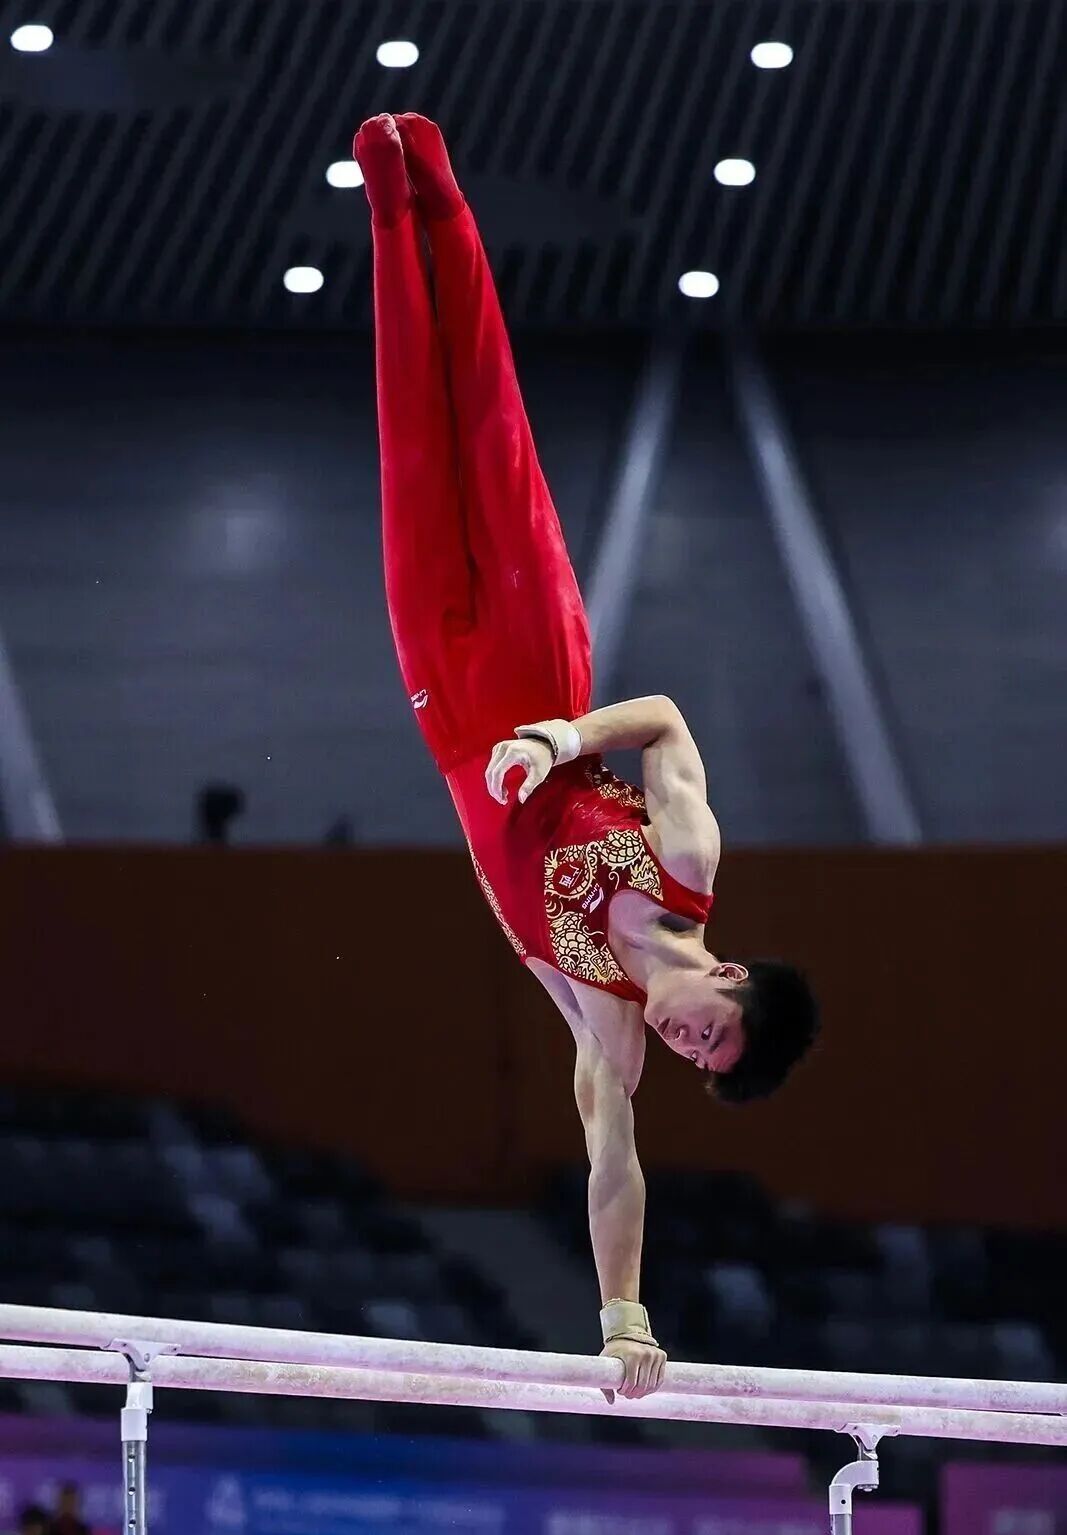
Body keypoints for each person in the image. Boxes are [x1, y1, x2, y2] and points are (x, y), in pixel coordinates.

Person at [354, 114, 820, 1401]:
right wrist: (564, 734)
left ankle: (386, 212)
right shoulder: (683, 864)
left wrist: (623, 1319)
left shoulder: (606, 1026)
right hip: (535, 667)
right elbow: (664, 714)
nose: (685, 1042)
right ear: (729, 978)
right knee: (487, 423)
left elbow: (615, 1163)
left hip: (445, 706)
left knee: (408, 439)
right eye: (715, 1035)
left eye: (700, 1061)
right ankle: (444, 195)